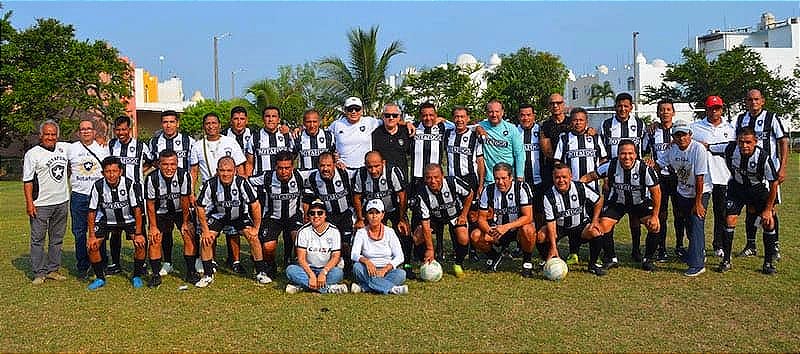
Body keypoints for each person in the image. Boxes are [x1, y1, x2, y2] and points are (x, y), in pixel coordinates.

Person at [580, 140, 662, 272]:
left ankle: (648, 259)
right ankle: (611, 258)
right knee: (602, 226)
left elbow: (656, 192)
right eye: (623, 153)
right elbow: (591, 176)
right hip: (618, 202)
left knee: (655, 226)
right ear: (618, 154)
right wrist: (578, 184)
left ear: (636, 154)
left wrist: (655, 215)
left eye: (630, 153)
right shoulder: (610, 165)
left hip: (640, 203)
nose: (627, 157)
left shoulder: (644, 169)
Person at [708, 127, 780, 274]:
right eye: (741, 142)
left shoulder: (763, 157)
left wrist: (767, 209)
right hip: (737, 188)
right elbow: (708, 146)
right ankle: (726, 260)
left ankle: (768, 263)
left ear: (755, 142)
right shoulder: (730, 148)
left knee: (768, 221)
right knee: (729, 219)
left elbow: (774, 183)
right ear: (737, 141)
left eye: (748, 142)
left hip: (757, 190)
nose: (744, 146)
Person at [194, 157, 269, 287]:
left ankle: (261, 272)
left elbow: (255, 205)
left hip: (239, 216)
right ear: (217, 171)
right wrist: (205, 230)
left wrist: (256, 228)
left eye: (229, 170)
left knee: (253, 237)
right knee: (206, 239)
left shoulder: (242, 183)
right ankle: (207, 275)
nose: (225, 174)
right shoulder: (210, 184)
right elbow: (200, 207)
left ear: (234, 171)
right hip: (218, 215)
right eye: (222, 170)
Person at [190, 112, 248, 274]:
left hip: (231, 191)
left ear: (220, 125)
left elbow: (241, 167)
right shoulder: (197, 146)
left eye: (214, 123)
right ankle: (211, 260)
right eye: (208, 123)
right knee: (207, 228)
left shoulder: (230, 142)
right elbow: (194, 172)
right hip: (209, 193)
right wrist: (191, 193)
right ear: (204, 126)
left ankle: (235, 260)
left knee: (233, 228)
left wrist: (242, 188)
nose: (211, 126)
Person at [734, 89, 788, 259]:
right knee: (750, 209)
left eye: (756, 99)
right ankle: (751, 245)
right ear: (746, 102)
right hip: (749, 173)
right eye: (750, 100)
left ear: (762, 101)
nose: (753, 102)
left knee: (769, 209)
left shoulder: (771, 118)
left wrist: (783, 167)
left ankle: (774, 247)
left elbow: (783, 141)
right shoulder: (742, 119)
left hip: (768, 172)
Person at [653, 121, 711, 276]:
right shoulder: (672, 149)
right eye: (677, 135)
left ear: (690, 135)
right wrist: (651, 178)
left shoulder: (698, 149)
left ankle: (697, 264)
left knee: (697, 221)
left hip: (700, 191)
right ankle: (697, 252)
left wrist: (698, 203)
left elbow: (700, 178)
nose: (681, 138)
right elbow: (659, 164)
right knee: (689, 225)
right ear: (673, 137)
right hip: (683, 191)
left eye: (684, 134)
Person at [553, 107, 607, 264]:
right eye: (575, 120)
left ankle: (595, 256)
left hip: (593, 188)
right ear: (571, 122)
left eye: (581, 120)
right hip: (570, 189)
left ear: (586, 122)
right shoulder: (564, 139)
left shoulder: (595, 138)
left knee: (593, 220)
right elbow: (558, 161)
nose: (578, 123)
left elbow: (603, 161)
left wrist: (605, 180)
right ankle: (573, 253)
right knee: (573, 220)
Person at [599, 93, 647, 265]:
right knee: (609, 214)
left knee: (634, 216)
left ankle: (636, 250)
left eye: (626, 105)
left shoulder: (640, 124)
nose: (622, 109)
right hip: (613, 176)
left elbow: (646, 149)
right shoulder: (606, 125)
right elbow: (603, 152)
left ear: (631, 107)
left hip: (635, 178)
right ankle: (609, 254)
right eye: (619, 105)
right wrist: (605, 178)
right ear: (615, 107)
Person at [85, 157, 145, 290]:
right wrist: (92, 236)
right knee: (92, 246)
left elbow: (137, 210)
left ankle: (137, 275)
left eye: (114, 171)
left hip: (128, 220)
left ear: (120, 172)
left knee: (141, 244)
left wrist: (139, 233)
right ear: (102, 173)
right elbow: (91, 211)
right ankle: (100, 278)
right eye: (107, 171)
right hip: (106, 220)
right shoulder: (98, 186)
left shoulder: (129, 184)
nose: (111, 174)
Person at [470, 163, 539, 276]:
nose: (500, 182)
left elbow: (528, 216)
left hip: (517, 230)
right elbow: (481, 219)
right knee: (475, 236)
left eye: (504, 178)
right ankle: (494, 256)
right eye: (497, 178)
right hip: (497, 230)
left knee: (529, 230)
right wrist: (490, 231)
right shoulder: (488, 190)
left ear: (511, 177)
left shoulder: (522, 188)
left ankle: (527, 261)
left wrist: (506, 227)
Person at [23, 120, 70, 284]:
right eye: (47, 134)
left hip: (62, 201)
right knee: (38, 239)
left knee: (57, 238)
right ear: (41, 135)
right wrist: (30, 203)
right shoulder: (32, 154)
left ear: (57, 135)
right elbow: (27, 181)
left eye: (53, 134)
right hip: (41, 204)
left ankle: (53, 270)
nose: (50, 137)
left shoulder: (64, 149)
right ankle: (39, 273)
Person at [351, 150, 412, 276]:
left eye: (376, 166)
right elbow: (357, 196)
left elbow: (402, 195)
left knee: (404, 232)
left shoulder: (392, 172)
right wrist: (360, 218)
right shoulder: (360, 174)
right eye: (369, 167)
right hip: (373, 211)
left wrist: (402, 218)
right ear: (365, 165)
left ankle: (407, 264)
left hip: (393, 208)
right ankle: (365, 265)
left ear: (383, 163)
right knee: (364, 233)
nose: (373, 170)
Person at [541, 163, 607, 276]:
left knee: (596, 231)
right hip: (560, 227)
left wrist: (595, 220)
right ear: (553, 178)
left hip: (580, 225)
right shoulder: (548, 196)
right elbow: (551, 223)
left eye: (564, 177)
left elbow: (599, 200)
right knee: (541, 236)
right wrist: (553, 246)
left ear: (570, 176)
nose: (561, 180)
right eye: (557, 177)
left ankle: (592, 265)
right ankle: (549, 260)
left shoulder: (580, 187)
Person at [690, 96, 735, 258]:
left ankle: (719, 245)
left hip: (724, 177)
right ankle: (697, 246)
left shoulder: (730, 129)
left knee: (721, 213)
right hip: (703, 179)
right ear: (706, 109)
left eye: (717, 108)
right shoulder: (695, 127)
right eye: (711, 108)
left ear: (721, 109)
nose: (714, 111)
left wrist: (710, 147)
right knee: (699, 213)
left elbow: (732, 148)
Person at [249, 150, 305, 279]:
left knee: (299, 238)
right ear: (275, 167)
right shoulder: (267, 177)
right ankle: (270, 265)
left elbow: (320, 173)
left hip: (293, 216)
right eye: (280, 168)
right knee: (268, 247)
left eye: (287, 168)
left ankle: (297, 264)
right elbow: (247, 181)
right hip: (272, 217)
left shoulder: (300, 176)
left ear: (293, 166)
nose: (284, 171)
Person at [144, 150, 195, 287]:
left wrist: (185, 222)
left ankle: (191, 272)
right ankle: (155, 275)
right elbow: (150, 204)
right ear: (159, 164)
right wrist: (153, 227)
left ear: (177, 163)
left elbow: (185, 200)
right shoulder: (151, 178)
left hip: (179, 210)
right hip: (161, 212)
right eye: (165, 164)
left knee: (188, 234)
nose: (169, 168)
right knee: (155, 240)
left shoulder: (183, 175)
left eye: (173, 164)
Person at [412, 164, 474, 277]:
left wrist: (464, 215)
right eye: (429, 178)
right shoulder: (421, 194)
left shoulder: (453, 182)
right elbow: (425, 224)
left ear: (443, 176)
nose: (433, 181)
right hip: (435, 218)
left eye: (436, 177)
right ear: (425, 178)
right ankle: (427, 262)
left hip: (455, 215)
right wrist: (430, 249)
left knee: (464, 236)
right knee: (417, 236)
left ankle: (458, 264)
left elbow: (469, 194)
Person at [68, 118, 109, 279]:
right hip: (79, 196)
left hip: (98, 197)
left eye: (89, 129)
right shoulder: (71, 148)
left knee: (100, 232)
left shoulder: (102, 149)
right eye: (82, 129)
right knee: (79, 232)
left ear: (94, 132)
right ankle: (82, 266)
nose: (85, 131)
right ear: (79, 132)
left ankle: (101, 263)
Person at [303, 152, 355, 272]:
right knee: (329, 244)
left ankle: (348, 267)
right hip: (328, 216)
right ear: (317, 166)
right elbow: (307, 199)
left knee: (345, 244)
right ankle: (330, 266)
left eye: (328, 165)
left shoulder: (345, 173)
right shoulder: (312, 178)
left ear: (334, 165)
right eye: (322, 165)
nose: (325, 169)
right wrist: (306, 216)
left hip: (346, 214)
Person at [645, 100, 683, 262]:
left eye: (668, 109)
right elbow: (644, 151)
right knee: (661, 214)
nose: (665, 112)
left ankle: (680, 246)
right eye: (662, 110)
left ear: (673, 112)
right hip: (659, 178)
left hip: (678, 177)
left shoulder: (680, 131)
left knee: (679, 213)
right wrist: (648, 160)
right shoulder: (652, 132)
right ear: (658, 113)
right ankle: (662, 248)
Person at [285, 200, 349, 294]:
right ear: (309, 215)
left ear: (325, 215)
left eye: (320, 213)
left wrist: (324, 272)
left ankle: (303, 287)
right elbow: (301, 258)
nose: (316, 216)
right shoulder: (303, 231)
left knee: (338, 273)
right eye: (312, 213)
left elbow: (336, 257)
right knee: (290, 270)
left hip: (327, 269)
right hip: (307, 269)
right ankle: (328, 289)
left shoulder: (334, 231)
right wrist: (311, 275)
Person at [350, 199, 408, 295]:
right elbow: (354, 254)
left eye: (377, 213)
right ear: (366, 215)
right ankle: (392, 289)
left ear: (382, 215)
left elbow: (400, 256)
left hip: (386, 270)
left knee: (401, 274)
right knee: (357, 267)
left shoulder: (390, 232)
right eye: (371, 213)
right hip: (368, 270)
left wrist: (385, 269)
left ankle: (365, 287)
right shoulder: (361, 232)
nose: (374, 216)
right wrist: (367, 262)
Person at [478, 100, 525, 184]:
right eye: (491, 112)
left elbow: (519, 154)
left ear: (502, 112)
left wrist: (520, 177)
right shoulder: (481, 126)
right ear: (486, 113)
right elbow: (462, 127)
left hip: (507, 179)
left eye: (497, 111)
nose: (494, 115)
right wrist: (476, 128)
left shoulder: (512, 129)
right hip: (489, 179)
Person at [516, 103, 545, 228]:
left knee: (539, 213)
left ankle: (540, 242)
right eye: (522, 115)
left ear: (534, 116)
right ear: (518, 117)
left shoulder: (542, 130)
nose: (525, 118)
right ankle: (520, 245)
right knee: (520, 214)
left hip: (539, 181)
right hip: (520, 181)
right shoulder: (513, 131)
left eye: (528, 115)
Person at [372, 103, 413, 181]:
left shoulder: (407, 131)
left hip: (402, 177)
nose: (391, 118)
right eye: (387, 115)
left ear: (399, 117)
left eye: (394, 115)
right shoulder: (375, 134)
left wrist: (440, 119)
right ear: (382, 117)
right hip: (383, 179)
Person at [539, 93, 572, 190]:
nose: (555, 106)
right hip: (553, 169)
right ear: (549, 106)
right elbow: (547, 151)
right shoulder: (545, 126)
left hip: (571, 167)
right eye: (552, 103)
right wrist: (559, 167)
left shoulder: (572, 122)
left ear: (563, 104)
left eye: (558, 103)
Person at [249, 106, 294, 176]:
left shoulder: (287, 135)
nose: (270, 119)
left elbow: (293, 157)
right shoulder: (254, 137)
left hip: (281, 181)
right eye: (267, 116)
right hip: (260, 181)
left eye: (274, 116)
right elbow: (249, 163)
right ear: (263, 119)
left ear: (279, 120)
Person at [294, 109, 336, 182]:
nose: (312, 125)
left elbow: (334, 155)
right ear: (304, 123)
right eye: (308, 122)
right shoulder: (298, 137)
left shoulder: (329, 136)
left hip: (324, 178)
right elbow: (291, 158)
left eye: (314, 121)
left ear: (319, 122)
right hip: (306, 178)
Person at [225, 106, 254, 175]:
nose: (239, 122)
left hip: (250, 173)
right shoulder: (224, 136)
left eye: (242, 119)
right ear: (231, 121)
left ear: (246, 121)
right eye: (236, 119)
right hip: (230, 174)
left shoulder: (254, 134)